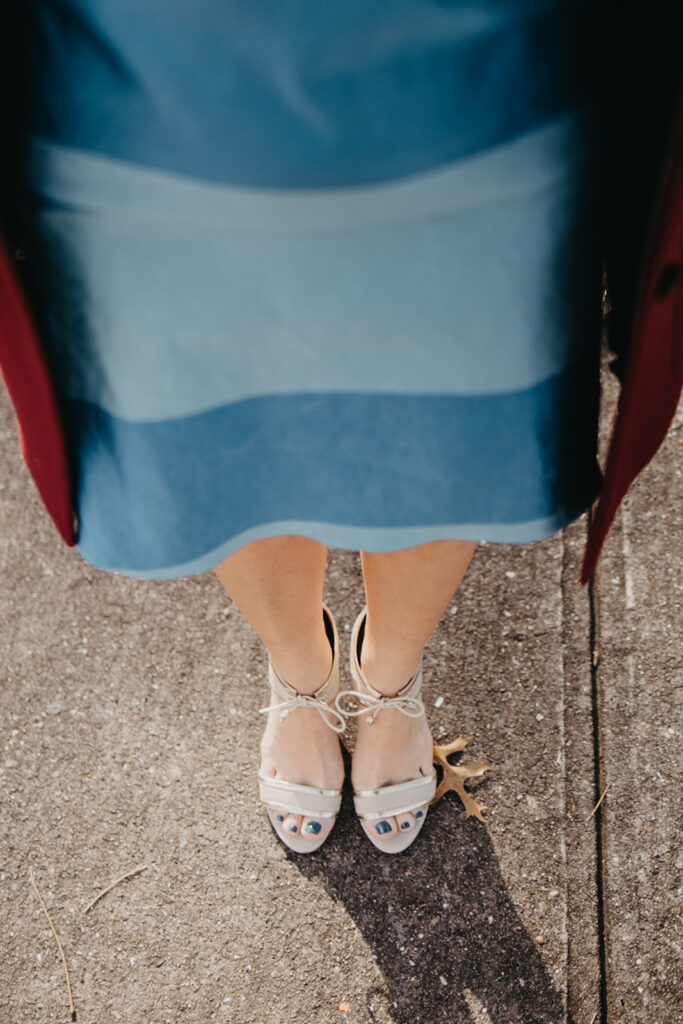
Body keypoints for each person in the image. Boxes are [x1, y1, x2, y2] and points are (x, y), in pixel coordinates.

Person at [2, 2, 680, 855]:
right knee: (226, 436)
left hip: (462, 89)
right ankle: (301, 669)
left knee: (444, 435)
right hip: (156, 91)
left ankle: (390, 676)